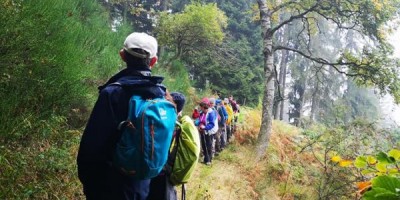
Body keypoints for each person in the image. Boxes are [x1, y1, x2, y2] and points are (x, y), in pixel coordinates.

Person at [77, 32, 167, 200]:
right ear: (153, 61)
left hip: (110, 184)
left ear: (122, 55)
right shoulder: (162, 95)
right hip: (143, 185)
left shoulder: (112, 93)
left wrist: (89, 183)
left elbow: (92, 146)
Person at [147, 92, 186, 200]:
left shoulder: (169, 123)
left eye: (168, 101)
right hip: (162, 171)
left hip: (160, 171)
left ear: (174, 106)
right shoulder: (175, 123)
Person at [197, 98, 218, 165]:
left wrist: (205, 127)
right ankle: (206, 159)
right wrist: (196, 123)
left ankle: (209, 160)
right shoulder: (202, 113)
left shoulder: (211, 113)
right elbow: (199, 120)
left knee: (208, 145)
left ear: (204, 107)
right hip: (203, 131)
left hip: (209, 132)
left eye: (201, 108)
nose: (201, 109)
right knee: (204, 145)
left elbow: (212, 124)